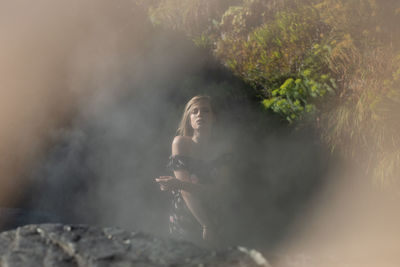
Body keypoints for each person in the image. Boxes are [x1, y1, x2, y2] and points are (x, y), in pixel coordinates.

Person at [155, 95, 231, 247]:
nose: (199, 114)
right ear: (189, 119)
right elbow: (186, 193)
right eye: (194, 111)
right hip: (187, 215)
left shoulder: (224, 149)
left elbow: (220, 191)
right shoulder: (180, 142)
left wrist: (179, 184)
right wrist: (206, 224)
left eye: (205, 111)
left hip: (217, 213)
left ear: (214, 117)